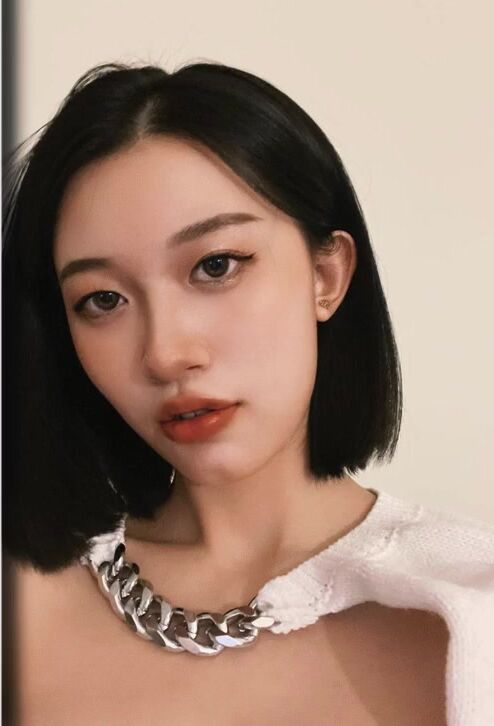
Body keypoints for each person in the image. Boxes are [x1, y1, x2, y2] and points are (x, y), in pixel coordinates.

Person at [3, 60, 493, 725]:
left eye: (216, 266)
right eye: (103, 300)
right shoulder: (22, 608)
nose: (165, 353)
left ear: (326, 275)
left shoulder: (468, 613)